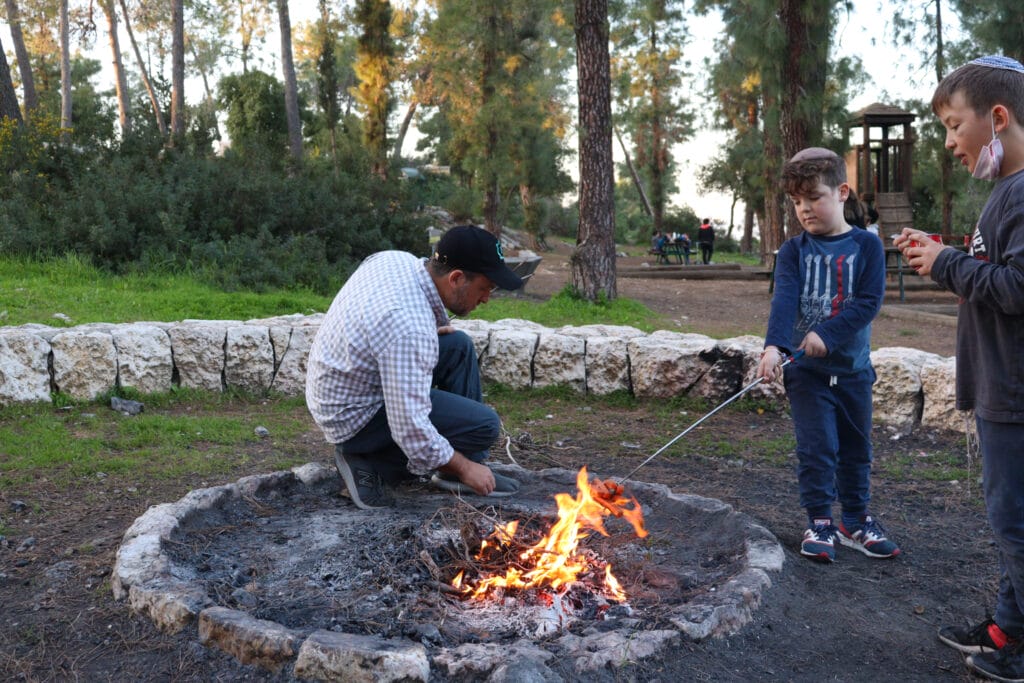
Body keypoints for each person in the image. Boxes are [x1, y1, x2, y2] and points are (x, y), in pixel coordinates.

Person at [894, 55, 1024, 682]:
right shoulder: (1004, 192)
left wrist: (946, 264)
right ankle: (1008, 626)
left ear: (997, 118)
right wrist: (939, 254)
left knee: (1016, 522)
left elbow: (1021, 287)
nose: (947, 143)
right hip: (1000, 385)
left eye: (953, 124)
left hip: (1017, 393)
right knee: (1009, 521)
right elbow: (991, 278)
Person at [305, 225, 523, 511]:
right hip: (352, 415)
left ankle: (450, 471)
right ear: (456, 278)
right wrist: (465, 467)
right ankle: (368, 461)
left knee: (457, 346)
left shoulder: (396, 260)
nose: (486, 299)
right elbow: (410, 428)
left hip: (342, 382)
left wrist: (425, 333)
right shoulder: (409, 326)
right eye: (485, 288)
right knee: (485, 426)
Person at [756, 147, 899, 565]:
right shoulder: (794, 251)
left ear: (841, 192)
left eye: (814, 198)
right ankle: (820, 521)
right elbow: (783, 302)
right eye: (797, 202)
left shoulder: (867, 247)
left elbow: (868, 302)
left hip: (854, 372)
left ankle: (855, 520)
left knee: (856, 449)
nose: (805, 209)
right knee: (817, 449)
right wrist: (774, 347)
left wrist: (827, 333)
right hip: (807, 374)